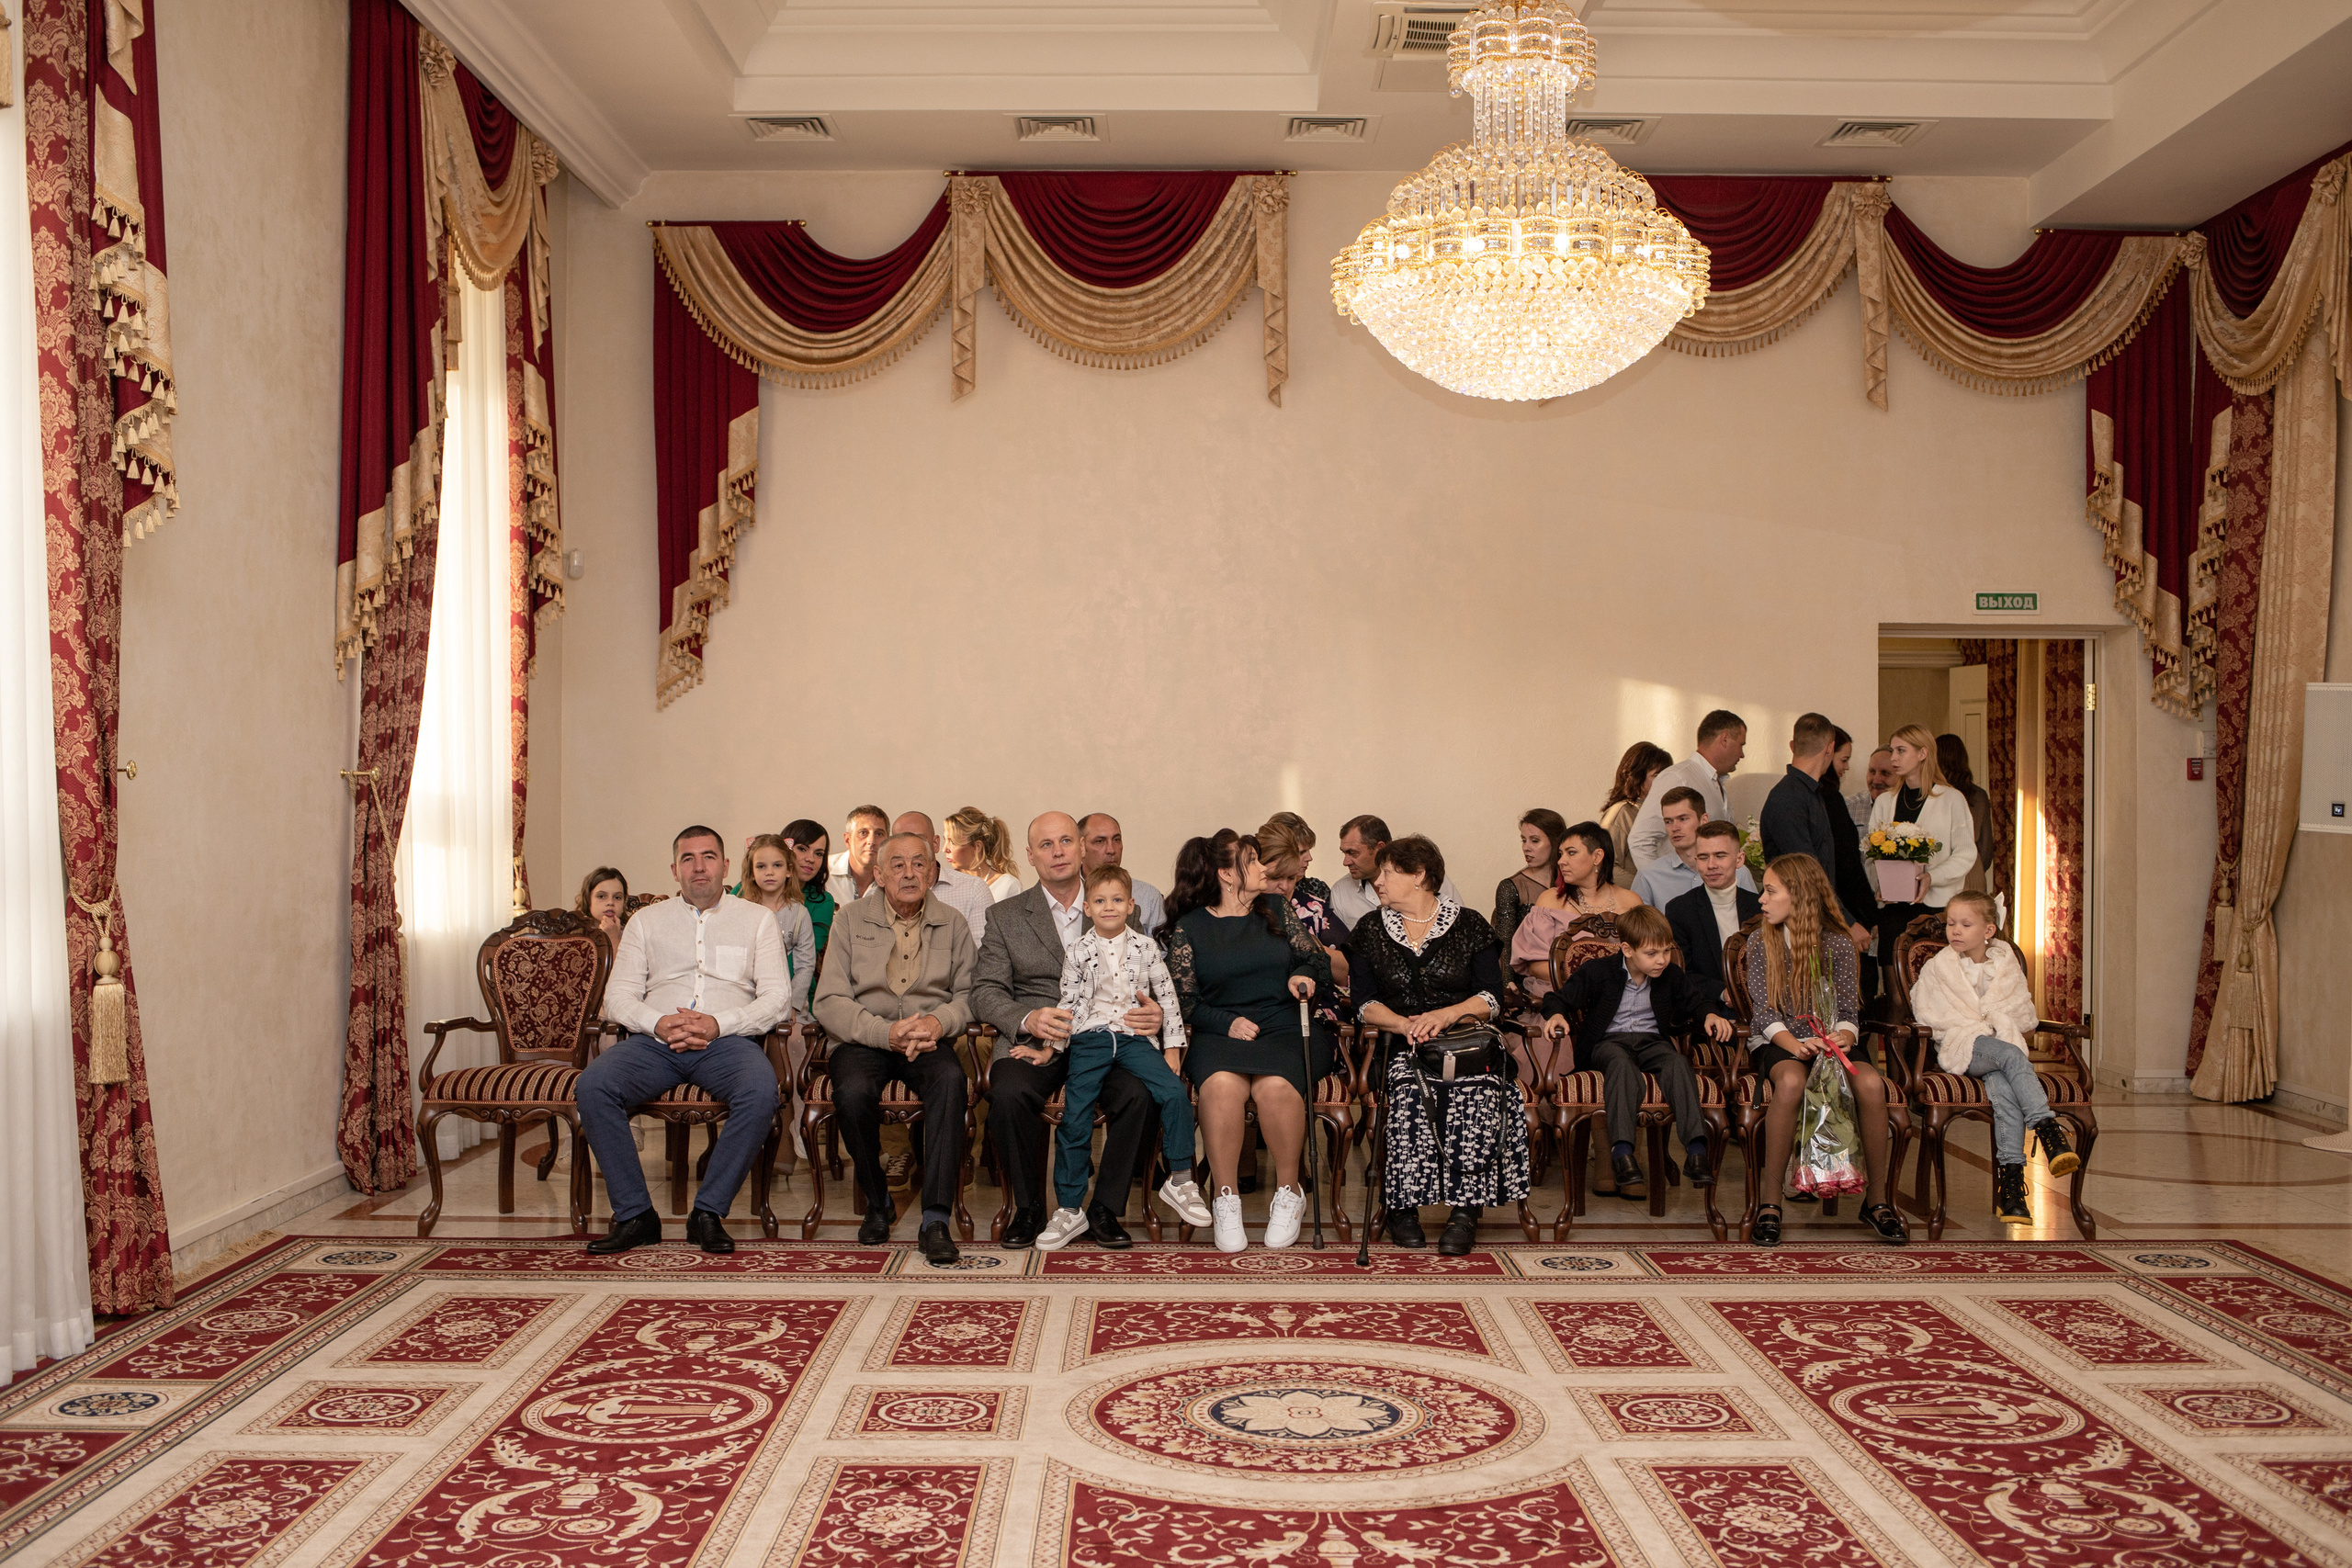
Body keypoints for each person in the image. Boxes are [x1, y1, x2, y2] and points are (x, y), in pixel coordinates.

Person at [579, 827, 788, 1257]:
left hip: (726, 1042)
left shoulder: (756, 920)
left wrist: (718, 1023)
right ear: (675, 869)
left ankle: (707, 1213)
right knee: (593, 1085)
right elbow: (617, 998)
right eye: (688, 858)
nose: (699, 866)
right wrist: (659, 1023)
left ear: (726, 866)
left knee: (761, 1089)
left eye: (709, 856)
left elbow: (777, 999)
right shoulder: (645, 922)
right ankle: (636, 1215)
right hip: (656, 1043)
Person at [972, 812, 1164, 1250]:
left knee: (1141, 1092)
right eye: (1045, 845)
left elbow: (1143, 980)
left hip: (1107, 1038)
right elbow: (985, 991)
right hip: (1035, 1040)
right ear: (1030, 856)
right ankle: (1029, 1209)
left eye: (1064, 842)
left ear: (1081, 848)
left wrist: (1153, 1014)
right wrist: (1027, 1019)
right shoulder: (1004, 916)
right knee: (1007, 1092)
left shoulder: (1113, 904)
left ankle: (1103, 1208)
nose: (1057, 852)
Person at [810, 832, 977, 1266]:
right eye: (897, 865)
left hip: (927, 1037)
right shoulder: (849, 918)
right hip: (864, 1037)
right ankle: (878, 1199)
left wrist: (937, 1023)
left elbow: (970, 995)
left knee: (951, 1080)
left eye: (919, 864)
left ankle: (936, 1218)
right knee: (850, 1092)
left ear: (932, 871)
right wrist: (883, 1033)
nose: (909, 873)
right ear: (879, 875)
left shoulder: (953, 922)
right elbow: (828, 1000)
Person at [1350, 834, 1521, 1256]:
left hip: (1465, 1045)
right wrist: (1404, 1023)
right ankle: (1402, 1208)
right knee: (1409, 1091)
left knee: (1479, 1091)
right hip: (1400, 1046)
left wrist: (1445, 1016)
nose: (1379, 880)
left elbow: (1492, 996)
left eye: (1389, 872)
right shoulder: (1370, 929)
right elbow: (1363, 1003)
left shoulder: (1470, 925)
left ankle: (1466, 1212)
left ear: (1420, 876)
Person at [1165, 829, 1332, 1252]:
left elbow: (1316, 958)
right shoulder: (1191, 928)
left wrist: (1306, 975)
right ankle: (1225, 1199)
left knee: (1274, 1086)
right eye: (1253, 861)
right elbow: (1183, 1001)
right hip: (1221, 1032)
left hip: (1284, 1027)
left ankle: (1289, 1193)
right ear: (1226, 874)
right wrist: (1227, 1022)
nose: (1263, 867)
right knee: (1221, 1086)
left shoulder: (1276, 908)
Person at [1033, 865, 1213, 1249]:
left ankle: (1181, 1180)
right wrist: (1054, 1045)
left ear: (1132, 905)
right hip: (1091, 1041)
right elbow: (1071, 1002)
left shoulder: (1146, 948)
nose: (1109, 907)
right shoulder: (1077, 950)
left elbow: (1167, 999)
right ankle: (1068, 1209)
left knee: (1174, 1094)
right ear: (1087, 907)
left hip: (1134, 1040)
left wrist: (1172, 1048)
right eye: (1100, 901)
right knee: (1076, 1115)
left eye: (1117, 900)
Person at [1743, 853, 1904, 1248]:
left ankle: (1878, 1201)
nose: (1761, 900)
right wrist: (1796, 1045)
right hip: (1779, 1041)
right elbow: (1762, 1011)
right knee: (1793, 1082)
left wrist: (1843, 1037)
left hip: (1832, 1043)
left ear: (1798, 896)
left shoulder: (1838, 944)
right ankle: (1770, 1203)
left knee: (1869, 1085)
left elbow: (1849, 1009)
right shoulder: (1760, 940)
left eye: (1770, 891)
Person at [1905, 890, 2078, 1226]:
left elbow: (2022, 1012)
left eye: (1965, 924)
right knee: (2012, 1056)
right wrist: (1977, 1027)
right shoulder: (1937, 968)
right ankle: (2047, 1129)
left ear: (1988, 931)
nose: (1955, 930)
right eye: (1951, 923)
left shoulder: (2005, 964)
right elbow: (1929, 1013)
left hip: (1998, 1047)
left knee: (2004, 1087)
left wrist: (1996, 1023)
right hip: (1962, 1045)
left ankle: (2012, 1190)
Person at [1541, 903, 1736, 1199]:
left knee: (1677, 1063)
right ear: (1627, 949)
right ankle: (1623, 1153)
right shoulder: (1599, 971)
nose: (1662, 960)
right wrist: (1555, 1015)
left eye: (1667, 951)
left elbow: (1695, 1002)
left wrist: (1709, 1014)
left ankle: (1696, 1151)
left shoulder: (1669, 975)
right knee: (1621, 1066)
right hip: (1609, 1042)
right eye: (1652, 954)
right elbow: (1559, 999)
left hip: (1652, 1042)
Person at [1868, 724, 1980, 969]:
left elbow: (1965, 853)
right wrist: (1879, 882)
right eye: (1892, 751)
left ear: (1922, 753)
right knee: (1894, 988)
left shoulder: (1951, 799)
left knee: (1934, 985)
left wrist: (1932, 877)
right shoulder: (1885, 802)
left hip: (1936, 910)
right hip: (1893, 908)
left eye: (1901, 751)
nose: (1893, 758)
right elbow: (1868, 852)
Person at [1760, 713, 1872, 943]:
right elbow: (1808, 873)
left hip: (1815, 917)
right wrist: (1847, 922)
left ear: (1793, 746)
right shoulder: (1788, 798)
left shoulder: (1811, 793)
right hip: (1797, 924)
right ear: (1830, 748)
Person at [1508, 820, 1643, 1001]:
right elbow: (1535, 966)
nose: (1561, 861)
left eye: (1571, 853)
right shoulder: (1550, 901)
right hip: (1565, 999)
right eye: (1561, 854)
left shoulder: (1631, 901)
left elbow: (1645, 956)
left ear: (1597, 857)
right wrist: (1590, 983)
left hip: (1625, 998)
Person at [1257, 816, 1349, 1026]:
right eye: (1275, 877)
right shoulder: (1242, 912)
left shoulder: (1313, 909)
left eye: (1291, 878)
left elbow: (1349, 969)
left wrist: (1304, 944)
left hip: (1316, 1011)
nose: (1285, 887)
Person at [1628, 712, 1747, 872]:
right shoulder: (1678, 778)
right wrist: (1664, 886)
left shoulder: (1715, 781)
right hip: (1683, 892)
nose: (1742, 754)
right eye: (1741, 745)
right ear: (1724, 739)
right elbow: (1640, 840)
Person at [1666, 821, 1761, 1007]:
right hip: (1710, 1008)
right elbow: (1681, 971)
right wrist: (1723, 993)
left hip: (1762, 1005)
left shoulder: (1759, 907)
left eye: (1720, 856)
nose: (1711, 865)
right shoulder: (1679, 910)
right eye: (1703, 857)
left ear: (1739, 859)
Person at [1816, 727, 1880, 990]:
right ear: (1829, 754)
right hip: (1842, 912)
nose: (1846, 768)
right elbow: (1847, 865)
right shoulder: (1829, 798)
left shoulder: (1816, 796)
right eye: (1844, 760)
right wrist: (1865, 916)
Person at [1629, 788, 1755, 909]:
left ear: (1704, 820)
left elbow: (1755, 919)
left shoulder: (1737, 871)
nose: (1675, 828)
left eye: (1683, 819)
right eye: (1668, 821)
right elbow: (1637, 928)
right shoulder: (1648, 876)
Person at [1329, 815, 1460, 931]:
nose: (1346, 862)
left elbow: (1460, 927)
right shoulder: (1341, 891)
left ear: (1380, 848)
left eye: (1353, 853)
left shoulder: (1426, 879)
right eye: (1344, 853)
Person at [737, 834, 818, 1019]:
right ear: (751, 872)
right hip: (747, 1000)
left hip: (788, 1001)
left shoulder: (799, 914)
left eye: (777, 865)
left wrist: (792, 1006)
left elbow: (805, 966)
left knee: (791, 1041)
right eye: (761, 866)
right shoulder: (742, 911)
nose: (769, 872)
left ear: (789, 870)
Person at [894, 810, 992, 944]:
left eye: (920, 840)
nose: (911, 849)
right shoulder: (880, 892)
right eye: (902, 841)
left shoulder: (973, 890)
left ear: (935, 844)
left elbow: (981, 955)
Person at [1493, 808, 1569, 950]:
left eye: (1535, 841)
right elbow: (1505, 948)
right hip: (1526, 969)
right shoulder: (1511, 887)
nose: (1526, 848)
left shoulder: (1573, 882)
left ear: (1556, 842)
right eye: (1523, 840)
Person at [1080, 814, 1166, 937]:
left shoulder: (1148, 896)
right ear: (1081, 847)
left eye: (1116, 840)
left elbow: (1160, 953)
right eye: (1100, 841)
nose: (1111, 850)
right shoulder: (1069, 895)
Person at [1597, 744, 1671, 886]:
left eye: (1667, 776)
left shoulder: (1665, 812)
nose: (1665, 782)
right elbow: (1607, 866)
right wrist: (1650, 888)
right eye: (1657, 776)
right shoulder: (1622, 812)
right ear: (1637, 776)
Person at [1937, 734, 1996, 895]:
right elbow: (1986, 849)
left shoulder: (1935, 795)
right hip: (1971, 868)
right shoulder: (1979, 796)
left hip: (1939, 869)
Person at [780, 820, 840, 955]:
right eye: (802, 849)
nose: (810, 859)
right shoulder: (751, 887)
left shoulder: (823, 902)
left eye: (818, 854)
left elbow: (804, 957)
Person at [944, 807, 1023, 901]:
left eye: (952, 842)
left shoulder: (1007, 886)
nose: (944, 849)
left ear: (977, 847)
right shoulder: (945, 885)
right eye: (945, 840)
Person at [1262, 811, 1331, 906]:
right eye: (1301, 852)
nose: (1309, 858)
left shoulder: (1318, 889)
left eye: (1309, 850)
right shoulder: (1253, 891)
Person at [827, 805, 890, 906]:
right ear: (848, 840)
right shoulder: (823, 871)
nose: (871, 841)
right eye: (863, 833)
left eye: (879, 834)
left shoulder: (895, 878)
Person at [575, 866, 627, 948]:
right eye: (601, 896)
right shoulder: (572, 935)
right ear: (588, 899)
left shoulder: (632, 934)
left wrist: (613, 939)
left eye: (617, 897)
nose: (610, 902)